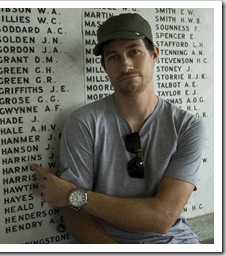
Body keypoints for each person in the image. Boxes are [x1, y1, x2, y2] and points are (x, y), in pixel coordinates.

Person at [32, 13, 206, 244]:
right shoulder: (85, 122)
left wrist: (73, 196)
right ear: (104, 66)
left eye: (134, 51)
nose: (125, 65)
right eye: (114, 57)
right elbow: (74, 214)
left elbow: (163, 217)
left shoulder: (188, 126)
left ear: (154, 54)